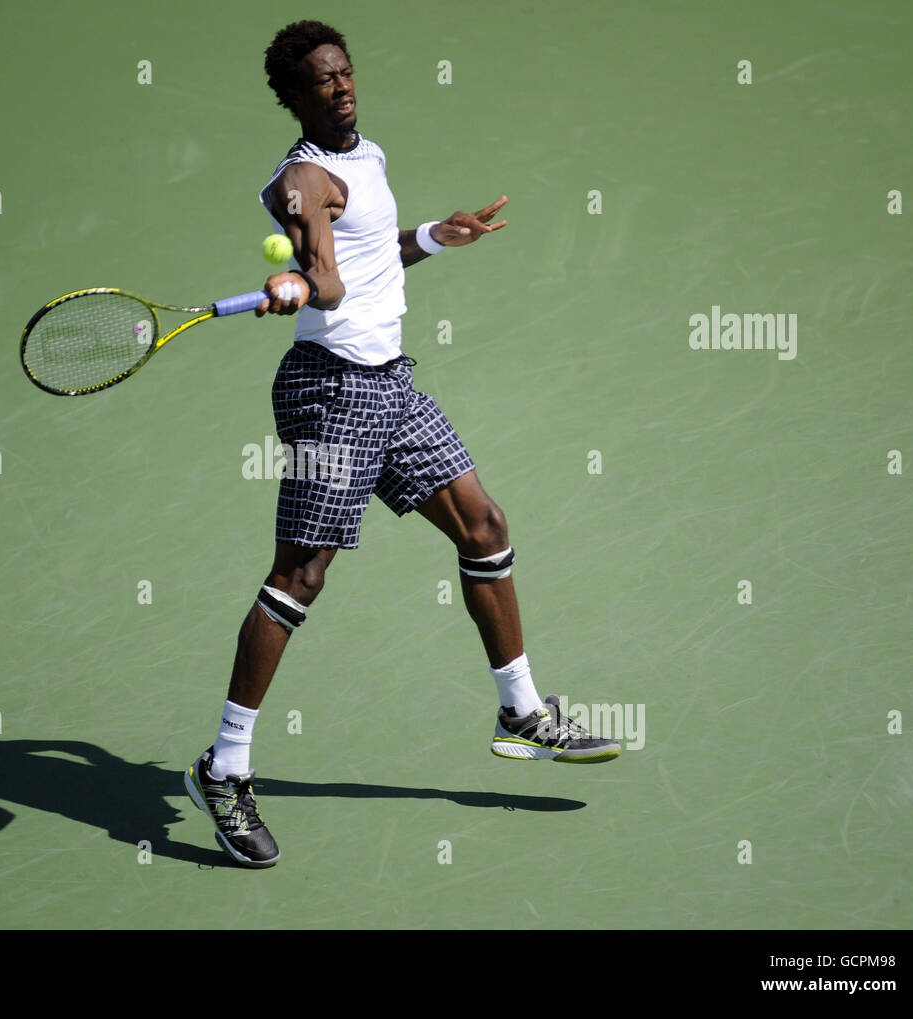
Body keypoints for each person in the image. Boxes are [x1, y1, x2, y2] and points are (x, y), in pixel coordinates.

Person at [185, 20, 619, 869]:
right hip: (330, 391)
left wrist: (431, 238)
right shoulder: (302, 181)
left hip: (390, 383)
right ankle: (224, 764)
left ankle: (521, 713)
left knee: (484, 527)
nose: (341, 88)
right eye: (321, 81)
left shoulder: (366, 156)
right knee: (300, 575)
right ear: (293, 96)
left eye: (346, 73)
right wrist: (300, 279)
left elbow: (367, 256)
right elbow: (330, 269)